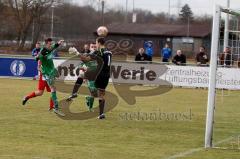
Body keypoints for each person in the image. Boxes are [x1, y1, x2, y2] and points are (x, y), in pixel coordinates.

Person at [37, 38, 65, 116]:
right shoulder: (43, 51)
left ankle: (55, 107)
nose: (51, 45)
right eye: (49, 43)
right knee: (53, 88)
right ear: (46, 44)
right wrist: (39, 63)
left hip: (51, 71)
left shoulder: (48, 49)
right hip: (47, 73)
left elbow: (52, 47)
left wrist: (58, 43)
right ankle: (55, 108)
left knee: (54, 88)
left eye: (51, 43)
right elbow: (38, 58)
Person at [22, 42, 54, 111]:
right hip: (44, 76)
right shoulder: (42, 56)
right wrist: (42, 71)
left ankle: (51, 107)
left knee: (44, 92)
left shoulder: (49, 55)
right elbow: (38, 67)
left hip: (48, 75)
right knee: (44, 92)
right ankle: (27, 97)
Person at [94, 37, 112, 119]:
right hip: (107, 74)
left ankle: (90, 98)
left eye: (96, 43)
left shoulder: (99, 52)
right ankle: (101, 114)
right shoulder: (109, 52)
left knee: (95, 90)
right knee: (102, 93)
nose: (95, 44)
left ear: (99, 43)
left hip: (100, 74)